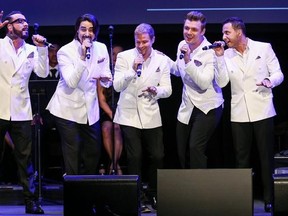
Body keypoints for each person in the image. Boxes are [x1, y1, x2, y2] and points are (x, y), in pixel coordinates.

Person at [214, 17, 284, 212]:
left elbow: (279, 73)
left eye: (227, 32)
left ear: (239, 32)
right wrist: (219, 57)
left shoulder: (264, 48)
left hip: (262, 108)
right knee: (241, 159)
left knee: (265, 157)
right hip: (239, 112)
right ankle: (244, 199)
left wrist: (270, 80)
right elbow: (221, 83)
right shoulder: (225, 55)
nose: (223, 37)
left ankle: (270, 199)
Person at [113, 23, 172, 212]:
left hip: (151, 112)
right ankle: (136, 197)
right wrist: (132, 70)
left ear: (153, 40)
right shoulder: (124, 57)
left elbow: (168, 89)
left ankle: (154, 194)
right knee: (135, 156)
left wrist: (157, 90)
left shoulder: (161, 60)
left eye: (145, 41)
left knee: (157, 155)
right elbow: (116, 86)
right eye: (138, 42)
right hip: (128, 114)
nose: (141, 45)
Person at [46, 13, 112, 175]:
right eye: (83, 29)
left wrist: (105, 80)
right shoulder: (65, 52)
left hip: (90, 108)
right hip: (67, 108)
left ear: (95, 32)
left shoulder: (101, 48)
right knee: (73, 151)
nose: (87, 33)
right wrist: (82, 57)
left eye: (91, 30)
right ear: (77, 30)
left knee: (93, 152)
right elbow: (71, 82)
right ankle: (73, 194)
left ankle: (87, 190)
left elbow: (107, 79)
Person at [0, 10, 49, 214]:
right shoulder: (0, 45)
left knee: (25, 158)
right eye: (20, 21)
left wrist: (43, 49)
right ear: (9, 26)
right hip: (0, 108)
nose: (25, 24)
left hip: (21, 110)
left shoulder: (31, 49)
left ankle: (31, 201)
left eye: (26, 21)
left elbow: (43, 72)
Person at [169, 11, 224, 169]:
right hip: (188, 106)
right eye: (186, 28)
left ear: (202, 31)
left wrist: (188, 60)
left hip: (208, 107)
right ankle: (187, 188)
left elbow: (203, 83)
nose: (189, 32)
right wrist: (160, 59)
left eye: (194, 29)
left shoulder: (210, 52)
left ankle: (199, 190)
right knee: (181, 151)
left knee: (195, 148)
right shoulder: (182, 45)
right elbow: (179, 71)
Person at [97, 45, 124, 175]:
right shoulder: (103, 73)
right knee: (107, 128)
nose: (116, 58)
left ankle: (113, 164)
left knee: (117, 128)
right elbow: (101, 100)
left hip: (124, 111)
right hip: (107, 111)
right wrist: (112, 114)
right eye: (113, 54)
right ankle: (115, 165)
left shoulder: (127, 72)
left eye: (119, 55)